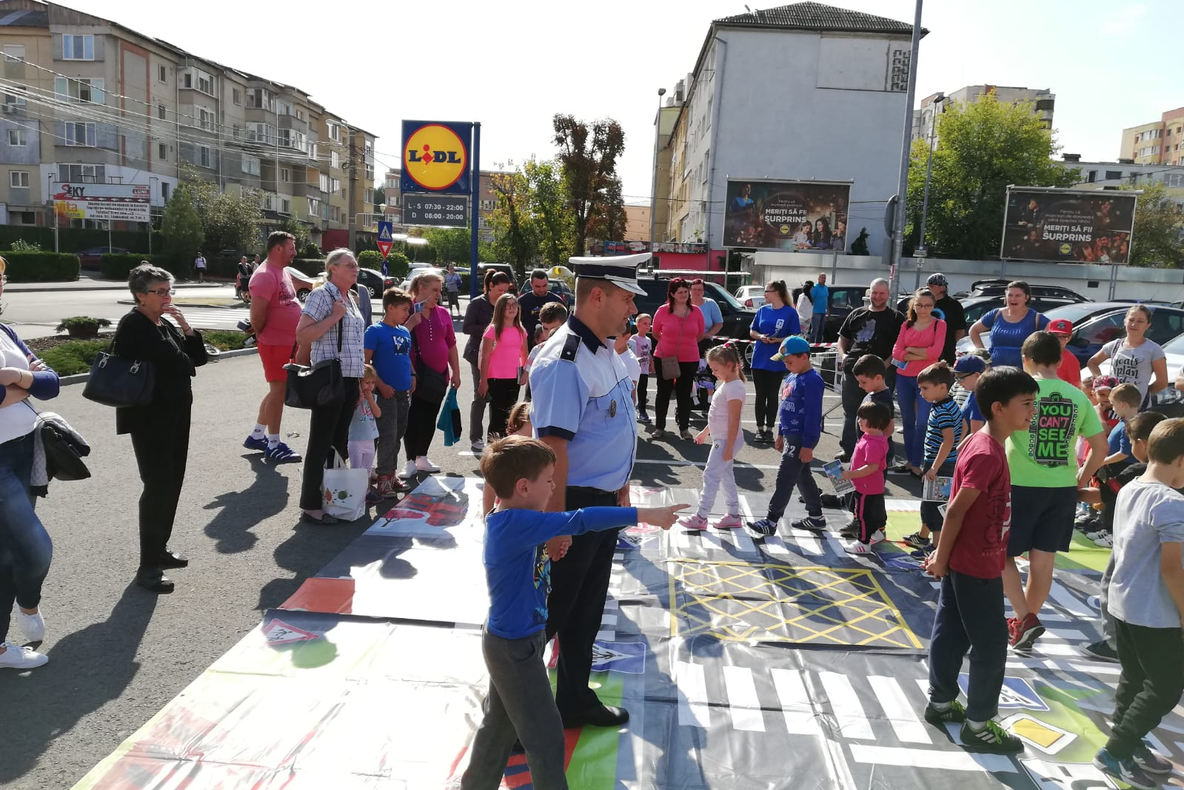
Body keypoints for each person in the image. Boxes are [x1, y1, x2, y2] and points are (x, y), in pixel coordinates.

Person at [459, 435, 682, 790]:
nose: (553, 486)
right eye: (548, 480)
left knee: (498, 729)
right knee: (546, 738)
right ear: (522, 487)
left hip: (517, 641)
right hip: (514, 648)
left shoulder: (515, 518)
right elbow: (583, 519)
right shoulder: (517, 524)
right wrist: (645, 514)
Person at [530, 254, 644, 730]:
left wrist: (620, 483)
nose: (633, 306)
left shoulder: (604, 350)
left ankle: (572, 698)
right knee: (547, 617)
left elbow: (610, 428)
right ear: (597, 295)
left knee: (585, 610)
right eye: (626, 296)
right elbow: (553, 449)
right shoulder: (566, 359)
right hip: (571, 506)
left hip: (598, 505)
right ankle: (512, 718)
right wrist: (555, 528)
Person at [922, 366, 1038, 756]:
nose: (1032, 411)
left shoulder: (982, 441)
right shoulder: (987, 451)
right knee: (990, 647)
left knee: (950, 632)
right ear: (998, 407)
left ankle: (940, 703)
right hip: (975, 568)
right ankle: (978, 725)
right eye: (1025, 404)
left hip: (968, 562)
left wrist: (945, 557)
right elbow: (955, 510)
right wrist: (940, 556)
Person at [1092, 418, 1184, 788]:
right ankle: (1116, 750)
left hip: (1123, 602)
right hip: (1155, 613)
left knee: (1134, 677)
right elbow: (1172, 569)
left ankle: (1128, 742)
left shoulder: (1132, 486)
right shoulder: (1172, 503)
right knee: (1165, 685)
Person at [1004, 332, 1107, 650]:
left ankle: (1025, 618)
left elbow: (992, 434)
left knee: (1002, 553)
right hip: (1061, 486)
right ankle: (1026, 622)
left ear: (1026, 359)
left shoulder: (1018, 392)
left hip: (1018, 483)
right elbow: (1099, 448)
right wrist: (1081, 477)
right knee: (1043, 562)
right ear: (1060, 360)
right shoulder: (1077, 396)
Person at [114, 263, 208, 593]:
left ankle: (159, 549)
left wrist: (184, 324)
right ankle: (147, 566)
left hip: (176, 414)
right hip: (149, 418)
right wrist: (181, 350)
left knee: (172, 483)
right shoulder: (135, 325)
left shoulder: (163, 323)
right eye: (160, 291)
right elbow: (180, 363)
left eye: (170, 290)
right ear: (140, 295)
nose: (167, 297)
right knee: (156, 487)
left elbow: (198, 359)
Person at [0, 254, 61, 669]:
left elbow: (52, 383)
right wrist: (27, 385)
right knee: (36, 549)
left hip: (25, 451)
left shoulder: (4, 331)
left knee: (8, 553)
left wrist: (15, 379)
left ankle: (0, 646)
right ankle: (28, 602)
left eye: (0, 279)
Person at [1079, 410, 1168, 663]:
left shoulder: (1137, 473)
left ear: (1141, 444)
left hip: (1132, 545)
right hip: (1168, 546)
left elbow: (1099, 496)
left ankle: (1115, 644)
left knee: (1111, 587)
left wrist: (1068, 491)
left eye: (1130, 443)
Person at [295, 249, 367, 525]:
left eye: (355, 264)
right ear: (332, 268)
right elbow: (302, 334)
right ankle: (311, 505)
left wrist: (359, 382)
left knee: (338, 444)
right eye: (349, 264)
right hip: (329, 378)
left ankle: (333, 498)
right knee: (321, 442)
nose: (355, 268)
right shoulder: (321, 295)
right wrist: (334, 317)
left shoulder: (351, 296)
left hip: (349, 379)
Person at [747, 337, 827, 536]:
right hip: (791, 435)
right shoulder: (792, 377)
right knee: (802, 476)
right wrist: (781, 433)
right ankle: (816, 516)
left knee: (785, 477)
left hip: (801, 436)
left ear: (805, 357)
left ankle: (771, 521)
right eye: (784, 362)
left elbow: (812, 415)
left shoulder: (812, 380)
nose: (786, 365)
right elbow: (785, 408)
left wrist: (808, 444)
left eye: (789, 361)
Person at [244, 231, 303, 464]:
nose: (295, 252)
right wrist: (262, 335)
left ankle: (257, 435)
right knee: (279, 392)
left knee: (276, 391)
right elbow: (256, 316)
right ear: (278, 248)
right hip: (275, 344)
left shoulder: (282, 272)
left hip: (286, 344)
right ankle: (274, 444)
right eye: (291, 247)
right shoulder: (264, 276)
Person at [679, 344, 747, 531]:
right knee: (725, 476)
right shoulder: (728, 384)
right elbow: (720, 415)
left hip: (726, 440)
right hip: (723, 439)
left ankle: (701, 517)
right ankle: (733, 515)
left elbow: (734, 420)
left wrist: (729, 446)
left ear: (730, 365)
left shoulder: (734, 388)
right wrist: (706, 432)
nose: (713, 372)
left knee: (711, 475)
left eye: (716, 369)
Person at [837, 278, 904, 461]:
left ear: (888, 294)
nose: (877, 296)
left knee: (879, 414)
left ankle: (879, 453)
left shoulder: (897, 318)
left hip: (881, 375)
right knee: (851, 412)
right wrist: (843, 356)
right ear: (869, 293)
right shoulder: (856, 314)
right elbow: (842, 338)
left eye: (882, 293)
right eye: (874, 292)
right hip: (852, 372)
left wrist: (886, 364)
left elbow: (901, 346)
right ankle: (849, 450)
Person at [402, 270, 461, 479]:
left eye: (440, 290)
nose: (438, 294)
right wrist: (410, 324)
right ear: (420, 289)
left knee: (429, 416)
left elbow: (451, 345)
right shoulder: (406, 310)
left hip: (439, 376)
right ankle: (409, 460)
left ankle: (422, 457)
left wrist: (456, 371)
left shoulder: (443, 313)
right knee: (413, 417)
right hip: (414, 375)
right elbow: (396, 339)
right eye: (434, 290)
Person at [904, 362, 962, 555]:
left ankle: (935, 546)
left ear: (942, 387)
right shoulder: (949, 404)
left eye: (925, 389)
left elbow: (948, 439)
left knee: (933, 505)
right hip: (945, 461)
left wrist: (934, 467)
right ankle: (922, 537)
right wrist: (956, 451)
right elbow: (964, 428)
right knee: (930, 501)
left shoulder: (942, 410)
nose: (921, 393)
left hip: (939, 464)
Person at [364, 288, 414, 499]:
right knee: (387, 435)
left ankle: (391, 474)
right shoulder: (375, 331)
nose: (406, 314)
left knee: (398, 434)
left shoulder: (404, 331)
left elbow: (405, 357)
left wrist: (412, 374)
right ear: (390, 307)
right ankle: (383, 477)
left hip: (403, 392)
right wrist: (380, 384)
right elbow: (366, 364)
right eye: (403, 309)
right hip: (385, 394)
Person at [892, 288, 947, 477]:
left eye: (928, 306)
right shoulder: (906, 325)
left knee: (922, 422)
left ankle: (917, 462)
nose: (923, 309)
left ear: (933, 306)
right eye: (919, 305)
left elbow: (935, 353)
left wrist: (910, 350)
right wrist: (921, 352)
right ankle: (910, 460)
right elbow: (897, 353)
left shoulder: (939, 325)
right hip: (904, 376)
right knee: (908, 421)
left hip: (927, 378)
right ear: (913, 305)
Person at [464, 270, 512, 454]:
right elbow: (467, 327)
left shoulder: (507, 303)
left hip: (500, 357)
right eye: (500, 290)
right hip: (478, 354)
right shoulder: (477, 304)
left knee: (499, 397)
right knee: (481, 395)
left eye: (506, 290)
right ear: (490, 286)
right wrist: (492, 330)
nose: (503, 294)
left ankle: (496, 437)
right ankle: (476, 437)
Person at [651, 277, 705, 441]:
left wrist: (685, 345)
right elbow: (655, 333)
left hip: (689, 358)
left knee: (684, 394)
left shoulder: (696, 311)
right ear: (672, 294)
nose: (684, 294)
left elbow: (700, 334)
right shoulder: (662, 310)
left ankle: (684, 428)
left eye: (685, 291)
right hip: (665, 357)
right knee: (663, 393)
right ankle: (659, 427)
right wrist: (669, 344)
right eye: (680, 292)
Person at [1087, 304, 1168, 406]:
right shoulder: (1114, 345)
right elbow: (1092, 362)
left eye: (1140, 321)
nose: (1134, 324)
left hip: (1138, 407)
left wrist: (1143, 393)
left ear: (1147, 325)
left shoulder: (1154, 350)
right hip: (1114, 406)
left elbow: (1162, 382)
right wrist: (1101, 381)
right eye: (1131, 320)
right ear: (1125, 321)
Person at [750, 280, 800, 444]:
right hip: (759, 357)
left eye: (767, 291)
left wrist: (778, 340)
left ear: (777, 292)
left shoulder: (790, 313)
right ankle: (759, 428)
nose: (764, 294)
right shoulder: (763, 310)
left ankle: (770, 428)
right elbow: (753, 330)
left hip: (778, 358)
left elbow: (795, 336)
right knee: (760, 395)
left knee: (772, 395)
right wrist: (761, 337)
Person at [841, 401, 890, 555]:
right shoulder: (873, 437)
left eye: (863, 418)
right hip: (870, 486)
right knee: (870, 513)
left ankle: (863, 543)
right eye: (859, 417)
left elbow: (872, 467)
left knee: (862, 515)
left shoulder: (873, 443)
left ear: (876, 421)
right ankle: (875, 533)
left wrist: (851, 474)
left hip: (866, 487)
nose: (859, 421)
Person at [968, 281, 1049, 370]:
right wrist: (982, 352)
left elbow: (1052, 337)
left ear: (1026, 298)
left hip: (1022, 373)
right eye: (1010, 295)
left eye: (1018, 296)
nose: (1013, 299)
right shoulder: (996, 314)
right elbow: (973, 330)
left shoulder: (1036, 318)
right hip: (994, 370)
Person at [480, 293, 529, 440]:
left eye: (514, 305)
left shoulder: (521, 330)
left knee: (511, 415)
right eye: (508, 305)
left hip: (513, 378)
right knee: (497, 415)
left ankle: (507, 447)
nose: (512, 308)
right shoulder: (492, 329)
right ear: (500, 308)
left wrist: (525, 373)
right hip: (495, 377)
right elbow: (485, 356)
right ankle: (493, 448)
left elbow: (524, 354)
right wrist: (483, 381)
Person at [350, 364, 384, 506]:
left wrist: (370, 398)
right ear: (359, 383)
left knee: (367, 469)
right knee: (356, 468)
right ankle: (355, 493)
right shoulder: (355, 398)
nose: (370, 386)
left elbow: (378, 414)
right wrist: (359, 399)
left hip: (370, 438)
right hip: (356, 440)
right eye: (367, 383)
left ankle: (367, 490)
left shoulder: (373, 398)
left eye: (372, 383)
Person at [524, 302, 568, 394]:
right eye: (545, 328)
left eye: (554, 328)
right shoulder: (537, 351)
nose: (548, 333)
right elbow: (529, 386)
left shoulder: (573, 351)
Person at [924, 274, 967, 365]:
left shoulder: (954, 305)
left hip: (946, 354)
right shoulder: (923, 303)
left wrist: (949, 343)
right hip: (924, 351)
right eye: (927, 286)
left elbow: (960, 330)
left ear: (942, 288)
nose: (928, 288)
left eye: (931, 286)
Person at [518, 269, 563, 347]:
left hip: (553, 346)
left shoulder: (557, 301)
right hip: (527, 345)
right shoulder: (522, 302)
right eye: (538, 286)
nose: (542, 289)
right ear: (531, 284)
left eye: (544, 286)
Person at [954, 355, 988, 441]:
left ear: (977, 375)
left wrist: (954, 452)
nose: (958, 382)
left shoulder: (978, 399)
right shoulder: (973, 393)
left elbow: (975, 434)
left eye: (960, 378)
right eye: (956, 378)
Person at [629, 313, 653, 423]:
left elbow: (649, 353)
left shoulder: (648, 339)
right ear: (637, 325)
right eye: (644, 323)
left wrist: (651, 365)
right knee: (632, 390)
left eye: (649, 324)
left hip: (644, 370)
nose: (647, 326)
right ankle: (631, 410)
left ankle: (642, 411)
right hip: (635, 370)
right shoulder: (633, 338)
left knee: (643, 391)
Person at [690, 278, 723, 350]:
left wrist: (709, 334)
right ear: (690, 290)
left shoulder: (710, 304)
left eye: (700, 290)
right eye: (694, 289)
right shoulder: (683, 303)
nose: (697, 292)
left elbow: (719, 323)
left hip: (705, 343)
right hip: (686, 342)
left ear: (704, 291)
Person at [1046, 318, 1081, 387]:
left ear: (1069, 338)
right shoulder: (1039, 352)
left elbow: (1075, 387)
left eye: (1063, 337)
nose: (1058, 339)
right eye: (1055, 335)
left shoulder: (1070, 359)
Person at [808, 273, 829, 344]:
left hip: (823, 311)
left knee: (821, 330)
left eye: (824, 278)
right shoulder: (815, 288)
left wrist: (828, 310)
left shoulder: (826, 288)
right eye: (822, 277)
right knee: (815, 330)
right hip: (816, 311)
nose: (823, 279)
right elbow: (811, 299)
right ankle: (811, 345)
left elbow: (826, 299)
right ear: (818, 278)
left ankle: (818, 345)